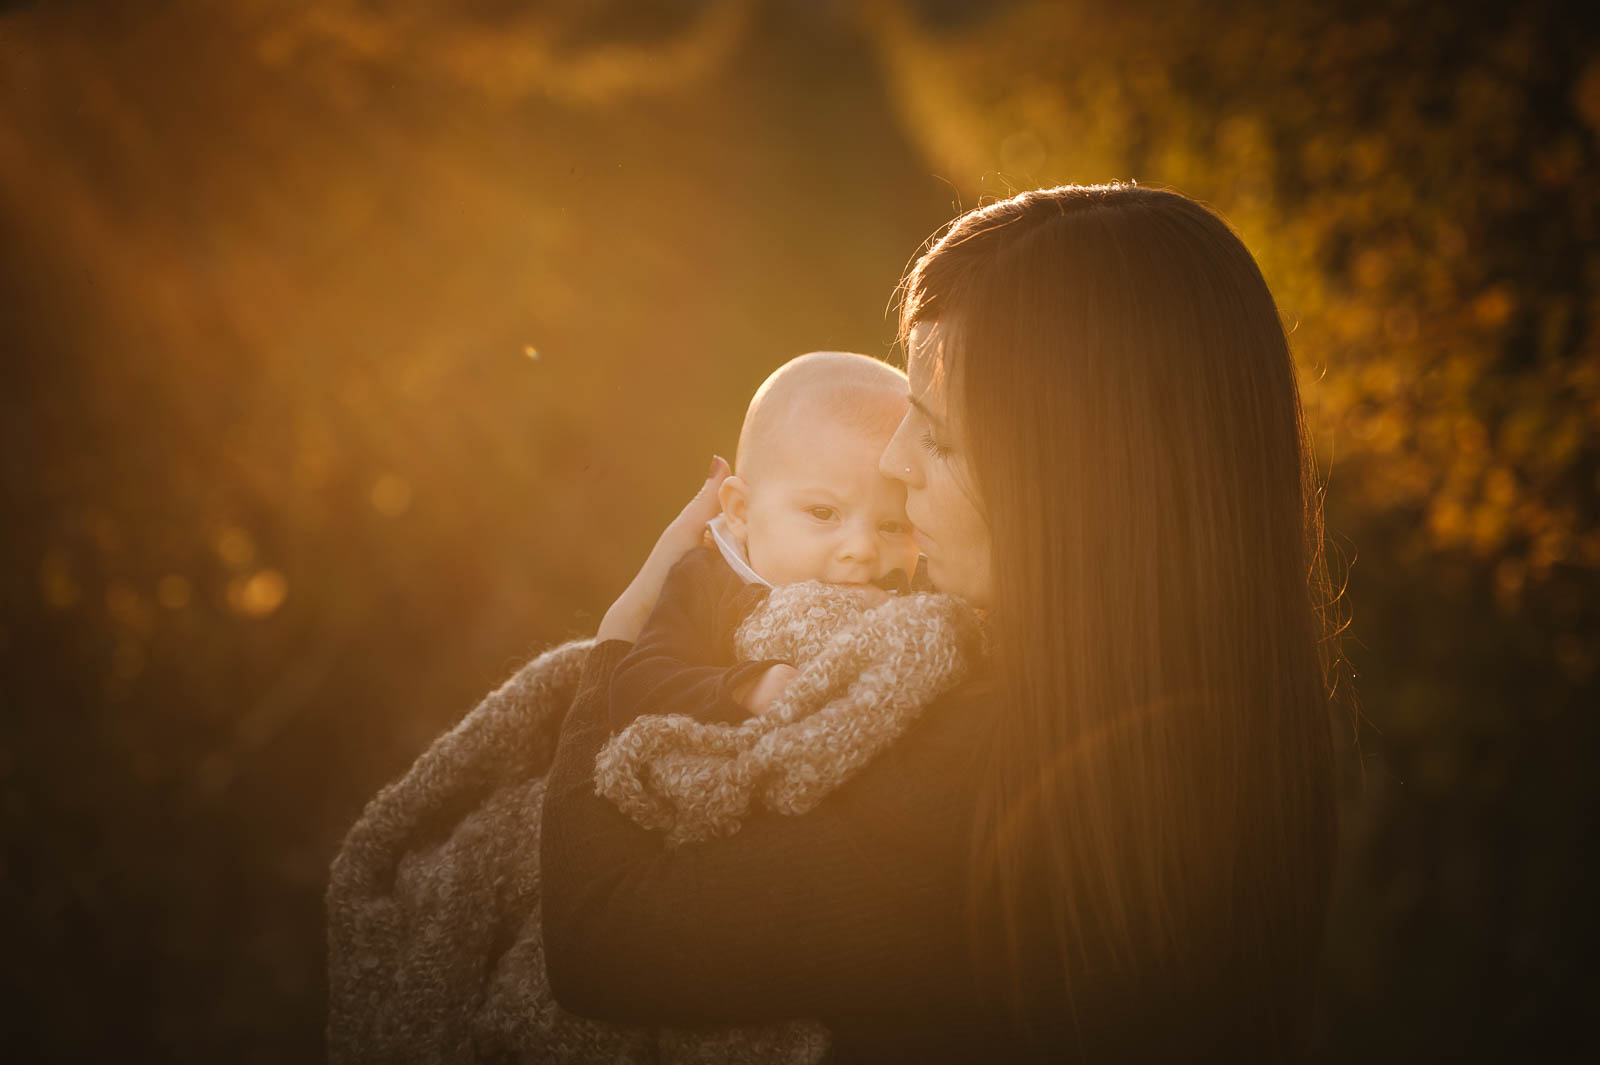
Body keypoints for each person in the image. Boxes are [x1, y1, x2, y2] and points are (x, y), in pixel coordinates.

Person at [540, 183, 1340, 1063]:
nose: (894, 462)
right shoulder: (1256, 735)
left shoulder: (964, 779)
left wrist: (618, 644)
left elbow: (598, 938)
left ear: (1079, 489)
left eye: (940, 440)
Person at [608, 349, 923, 730]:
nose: (862, 549)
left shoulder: (918, 600)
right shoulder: (707, 582)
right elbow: (637, 686)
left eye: (892, 526)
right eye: (824, 513)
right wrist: (742, 690)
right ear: (741, 511)